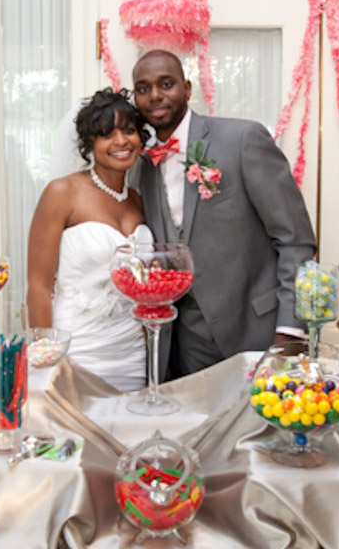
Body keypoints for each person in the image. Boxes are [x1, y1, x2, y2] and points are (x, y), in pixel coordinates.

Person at [132, 51, 317, 380]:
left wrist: (290, 330)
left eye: (166, 84)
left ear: (187, 89)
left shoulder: (242, 139)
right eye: (143, 88)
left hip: (258, 331)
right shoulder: (141, 166)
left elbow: (295, 240)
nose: (155, 95)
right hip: (186, 344)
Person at [27, 89, 153, 391]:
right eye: (106, 134)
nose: (121, 141)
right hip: (77, 346)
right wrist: (46, 360)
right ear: (89, 144)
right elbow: (39, 286)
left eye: (129, 130)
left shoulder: (137, 199)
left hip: (131, 349)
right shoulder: (62, 193)